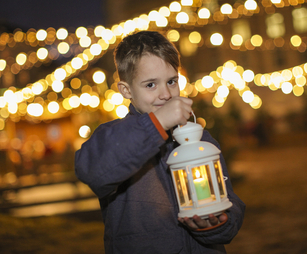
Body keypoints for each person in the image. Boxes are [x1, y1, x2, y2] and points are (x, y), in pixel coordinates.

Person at [75, 31, 245, 254]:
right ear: (126, 90)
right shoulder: (114, 136)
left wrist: (216, 224)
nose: (165, 94)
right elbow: (93, 170)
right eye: (150, 85)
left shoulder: (200, 139)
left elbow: (229, 201)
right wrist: (157, 123)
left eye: (171, 81)